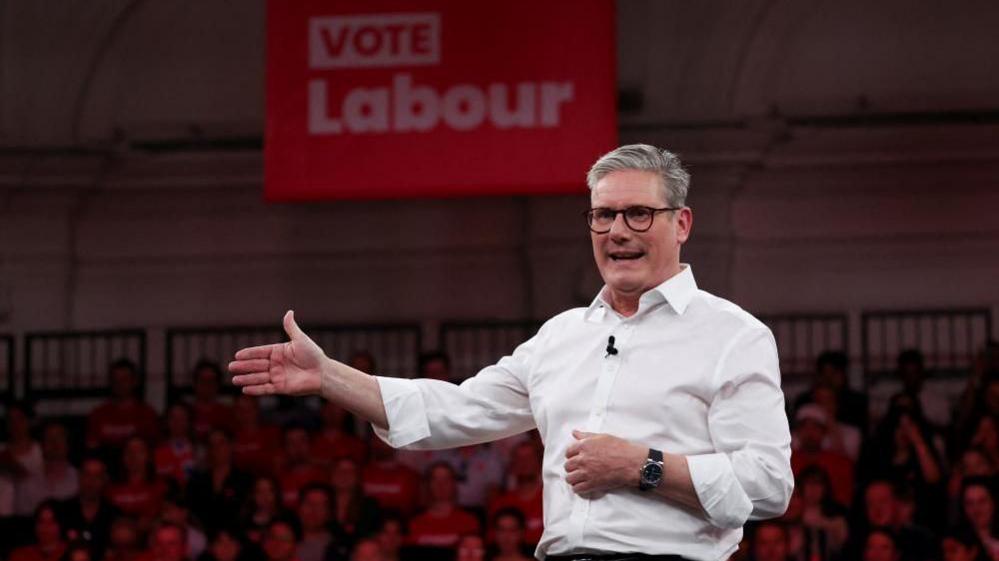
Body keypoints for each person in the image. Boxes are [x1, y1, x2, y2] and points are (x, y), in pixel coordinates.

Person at [229, 144, 794, 560]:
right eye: (603, 215)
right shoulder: (560, 336)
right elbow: (452, 410)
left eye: (638, 214)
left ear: (682, 224)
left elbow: (768, 485)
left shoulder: (732, 336)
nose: (618, 230)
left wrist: (644, 467)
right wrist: (329, 377)